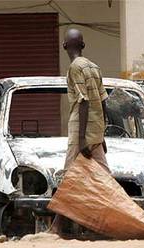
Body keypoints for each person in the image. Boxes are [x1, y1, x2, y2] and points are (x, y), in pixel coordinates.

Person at [51, 28, 109, 234]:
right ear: (83, 45)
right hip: (96, 128)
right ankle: (105, 224)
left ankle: (57, 226)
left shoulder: (75, 67)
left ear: (64, 46)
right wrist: (102, 134)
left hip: (80, 131)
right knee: (104, 178)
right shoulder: (94, 67)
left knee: (68, 176)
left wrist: (83, 138)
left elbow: (83, 101)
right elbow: (103, 101)